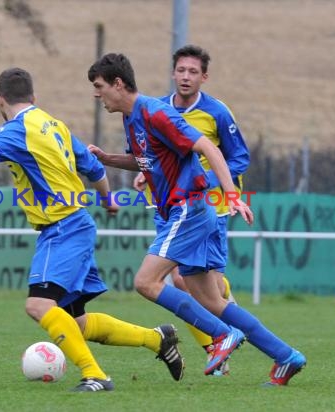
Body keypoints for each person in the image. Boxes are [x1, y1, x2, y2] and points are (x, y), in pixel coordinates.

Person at [0, 67, 184, 392]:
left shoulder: (16, 131)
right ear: (33, 98)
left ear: (0, 100)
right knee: (76, 323)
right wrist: (108, 199)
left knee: (38, 305)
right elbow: (93, 167)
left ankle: (96, 376)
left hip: (63, 227)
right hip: (77, 223)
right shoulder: (55, 125)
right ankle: (157, 339)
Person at [87, 53, 306, 386]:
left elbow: (208, 147)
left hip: (188, 207)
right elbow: (143, 160)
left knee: (146, 282)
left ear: (118, 84)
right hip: (185, 210)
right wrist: (108, 159)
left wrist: (232, 196)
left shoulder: (155, 111)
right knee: (211, 300)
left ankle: (221, 336)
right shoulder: (132, 119)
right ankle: (286, 355)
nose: (96, 94)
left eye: (99, 86)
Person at [132, 44, 249, 377]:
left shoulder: (217, 113)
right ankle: (217, 344)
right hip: (171, 204)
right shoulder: (156, 110)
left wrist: (202, 179)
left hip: (210, 204)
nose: (186, 77)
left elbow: (239, 158)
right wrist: (145, 171)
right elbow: (152, 155)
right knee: (180, 278)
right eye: (181, 70)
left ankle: (220, 331)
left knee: (186, 279)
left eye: (193, 72)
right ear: (173, 73)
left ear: (204, 77)